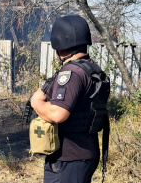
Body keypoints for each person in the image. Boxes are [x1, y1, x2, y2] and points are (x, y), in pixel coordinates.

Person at [31, 15, 102, 183]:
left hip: (69, 158)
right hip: (84, 153)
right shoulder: (92, 69)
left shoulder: (70, 73)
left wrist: (36, 102)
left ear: (59, 46)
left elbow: (58, 114)